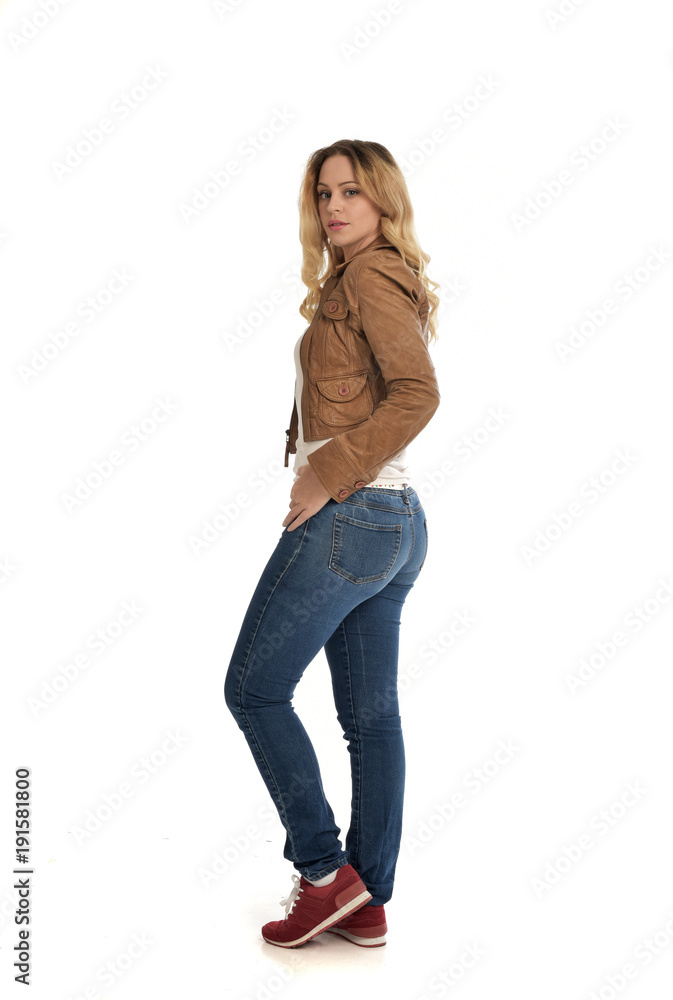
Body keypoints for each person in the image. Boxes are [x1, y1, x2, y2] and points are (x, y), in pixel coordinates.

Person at [224, 139, 441, 949]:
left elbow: (417, 393)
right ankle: (367, 899)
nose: (334, 206)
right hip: (395, 522)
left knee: (253, 691)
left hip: (353, 520)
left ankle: (324, 875)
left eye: (351, 191)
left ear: (383, 199)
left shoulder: (370, 278)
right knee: (370, 718)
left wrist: (325, 474)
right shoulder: (367, 277)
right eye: (323, 193)